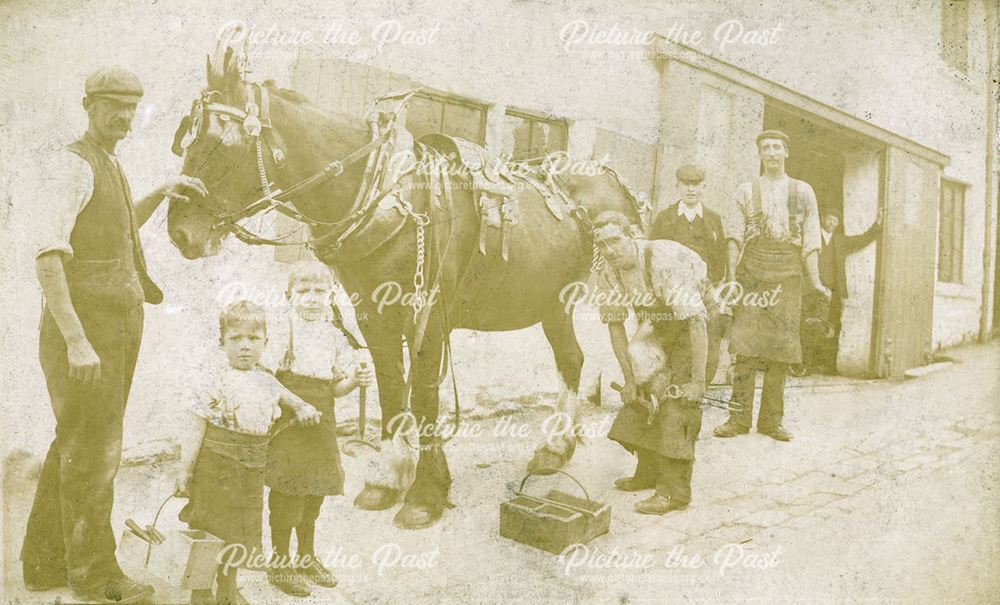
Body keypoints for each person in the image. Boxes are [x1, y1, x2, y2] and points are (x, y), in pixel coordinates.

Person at [21, 66, 206, 604]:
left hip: (116, 327)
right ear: (88, 104)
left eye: (132, 106)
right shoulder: (70, 166)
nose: (124, 117)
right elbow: (49, 258)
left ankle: (45, 563)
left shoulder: (110, 165)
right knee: (96, 452)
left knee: (75, 445)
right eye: (113, 106)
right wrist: (77, 340)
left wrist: (158, 191)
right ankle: (96, 577)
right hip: (85, 332)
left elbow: (118, 231)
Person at [175, 301, 321, 605]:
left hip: (250, 470)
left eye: (253, 339)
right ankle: (201, 592)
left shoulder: (266, 380)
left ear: (265, 343)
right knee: (208, 529)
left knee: (239, 532)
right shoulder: (214, 380)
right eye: (236, 339)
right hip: (214, 468)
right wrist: (185, 471)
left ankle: (228, 587)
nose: (245, 347)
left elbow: (291, 399)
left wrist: (304, 408)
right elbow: (194, 425)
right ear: (222, 343)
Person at [262, 261, 374, 597]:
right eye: (303, 291)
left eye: (319, 291)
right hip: (291, 420)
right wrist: (297, 406)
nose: (311, 299)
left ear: (332, 294)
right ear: (289, 295)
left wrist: (355, 379)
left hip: (322, 419)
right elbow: (266, 378)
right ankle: (280, 562)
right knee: (288, 491)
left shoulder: (334, 335)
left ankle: (306, 556)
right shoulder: (284, 329)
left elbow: (334, 388)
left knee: (315, 490)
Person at [713, 130, 829, 442]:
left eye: (777, 147)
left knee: (783, 349)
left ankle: (771, 422)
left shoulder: (803, 192)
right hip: (752, 273)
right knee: (745, 346)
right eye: (766, 148)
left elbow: (811, 241)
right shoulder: (745, 191)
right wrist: (732, 278)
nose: (772, 153)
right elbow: (734, 237)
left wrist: (816, 282)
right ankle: (737, 419)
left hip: (789, 272)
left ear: (786, 153)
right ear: (760, 154)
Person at [593, 211, 710, 515]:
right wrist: (630, 378)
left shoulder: (663, 261)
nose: (609, 249)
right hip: (658, 324)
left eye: (615, 241)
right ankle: (647, 473)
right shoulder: (608, 270)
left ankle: (674, 492)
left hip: (698, 324)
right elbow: (616, 325)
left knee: (676, 401)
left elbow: (696, 321)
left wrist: (697, 381)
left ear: (632, 235)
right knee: (643, 395)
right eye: (602, 243)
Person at [650, 163, 728, 383]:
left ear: (704, 187)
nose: (691, 190)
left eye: (696, 185)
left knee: (701, 343)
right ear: (677, 186)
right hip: (669, 297)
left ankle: (695, 388)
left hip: (702, 294)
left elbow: (719, 259)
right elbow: (652, 256)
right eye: (686, 185)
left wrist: (707, 286)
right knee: (669, 346)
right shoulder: (665, 218)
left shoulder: (713, 219)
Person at [801, 211, 881, 373]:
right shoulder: (811, 237)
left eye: (835, 220)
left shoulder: (839, 241)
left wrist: (877, 224)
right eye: (829, 219)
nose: (831, 223)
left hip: (834, 292)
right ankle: (804, 365)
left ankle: (828, 366)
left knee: (833, 326)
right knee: (811, 327)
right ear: (822, 219)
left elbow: (862, 239)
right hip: (813, 291)